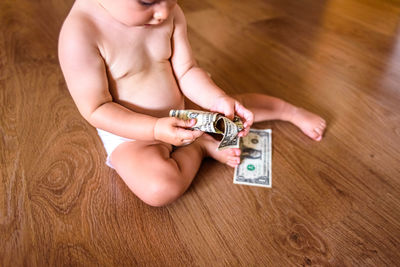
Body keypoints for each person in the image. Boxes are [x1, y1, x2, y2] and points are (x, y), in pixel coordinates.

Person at [58, 0, 326, 207]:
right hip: (131, 133)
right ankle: (200, 149)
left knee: (230, 110)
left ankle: (287, 110)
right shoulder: (80, 35)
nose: (163, 12)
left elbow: (186, 70)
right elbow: (97, 108)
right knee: (158, 188)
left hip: (182, 107)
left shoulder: (168, 12)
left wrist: (217, 99)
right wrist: (154, 130)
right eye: (147, 2)